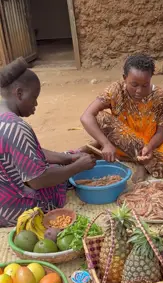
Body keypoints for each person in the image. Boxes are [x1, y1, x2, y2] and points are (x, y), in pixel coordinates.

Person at [0, 57, 96, 227]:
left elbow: (23, 153)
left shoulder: (3, 115)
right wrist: (77, 167)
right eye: (34, 97)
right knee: (63, 176)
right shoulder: (15, 126)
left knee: (68, 160)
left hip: (4, 196)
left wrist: (67, 158)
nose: (36, 103)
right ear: (19, 93)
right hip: (16, 207)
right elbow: (37, 180)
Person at [81, 54, 163, 182]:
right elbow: (86, 116)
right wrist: (106, 144)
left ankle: (141, 162)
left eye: (145, 85)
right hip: (122, 139)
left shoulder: (160, 97)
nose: (139, 90)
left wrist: (149, 148)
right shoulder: (115, 90)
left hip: (150, 143)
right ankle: (115, 150)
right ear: (124, 78)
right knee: (100, 117)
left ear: (150, 79)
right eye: (134, 84)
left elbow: (161, 133)